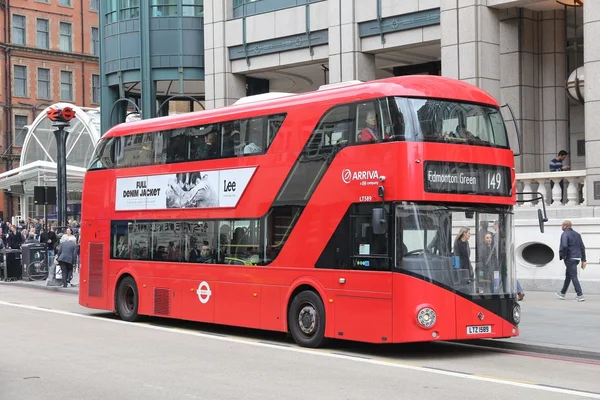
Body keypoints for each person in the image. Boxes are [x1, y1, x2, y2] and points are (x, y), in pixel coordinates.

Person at [556, 220, 586, 302]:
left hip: (570, 258)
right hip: (577, 258)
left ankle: (580, 295)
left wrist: (564, 256)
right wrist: (583, 259)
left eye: (562, 225)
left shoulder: (565, 234)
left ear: (565, 226)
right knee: (568, 275)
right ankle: (562, 293)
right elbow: (582, 247)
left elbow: (565, 246)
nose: (561, 227)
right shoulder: (577, 234)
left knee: (573, 276)